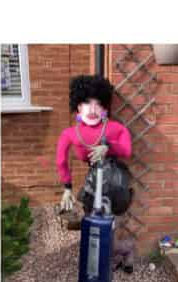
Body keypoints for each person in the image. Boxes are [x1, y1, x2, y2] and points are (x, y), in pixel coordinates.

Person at [56, 74, 134, 270]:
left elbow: (127, 149)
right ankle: (107, 258)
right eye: (86, 103)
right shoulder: (70, 133)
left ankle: (124, 250)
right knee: (91, 221)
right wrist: (67, 188)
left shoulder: (116, 129)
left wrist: (109, 148)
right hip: (93, 181)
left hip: (114, 181)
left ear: (105, 107)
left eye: (97, 104)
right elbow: (61, 160)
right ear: (78, 106)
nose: (92, 110)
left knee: (109, 225)